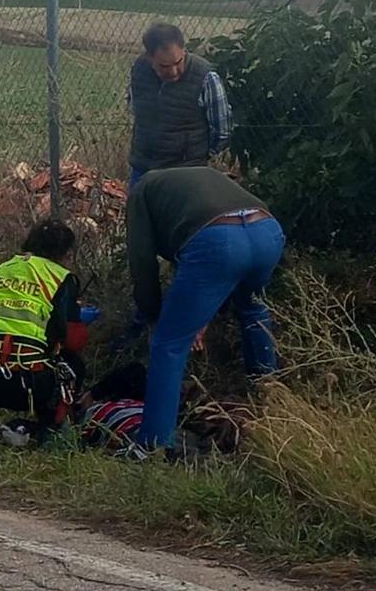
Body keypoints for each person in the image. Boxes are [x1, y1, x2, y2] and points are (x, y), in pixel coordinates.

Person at [127, 166, 284, 450]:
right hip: (267, 233)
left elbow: (142, 264)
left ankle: (153, 445)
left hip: (217, 242)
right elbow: (201, 275)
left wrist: (153, 317)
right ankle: (271, 409)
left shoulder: (141, 192)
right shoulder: (196, 180)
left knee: (169, 344)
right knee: (252, 312)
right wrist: (201, 316)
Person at [0, 219, 83, 438]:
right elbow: (64, 334)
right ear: (64, 253)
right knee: (73, 365)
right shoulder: (61, 277)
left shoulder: (2, 269)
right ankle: (48, 430)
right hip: (29, 385)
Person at [128, 22, 232, 189]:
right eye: (164, 66)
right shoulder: (139, 70)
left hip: (187, 173)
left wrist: (197, 157)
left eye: (178, 62)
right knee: (138, 214)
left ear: (184, 50)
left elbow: (222, 131)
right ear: (150, 58)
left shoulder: (206, 77)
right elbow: (134, 109)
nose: (174, 71)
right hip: (143, 168)